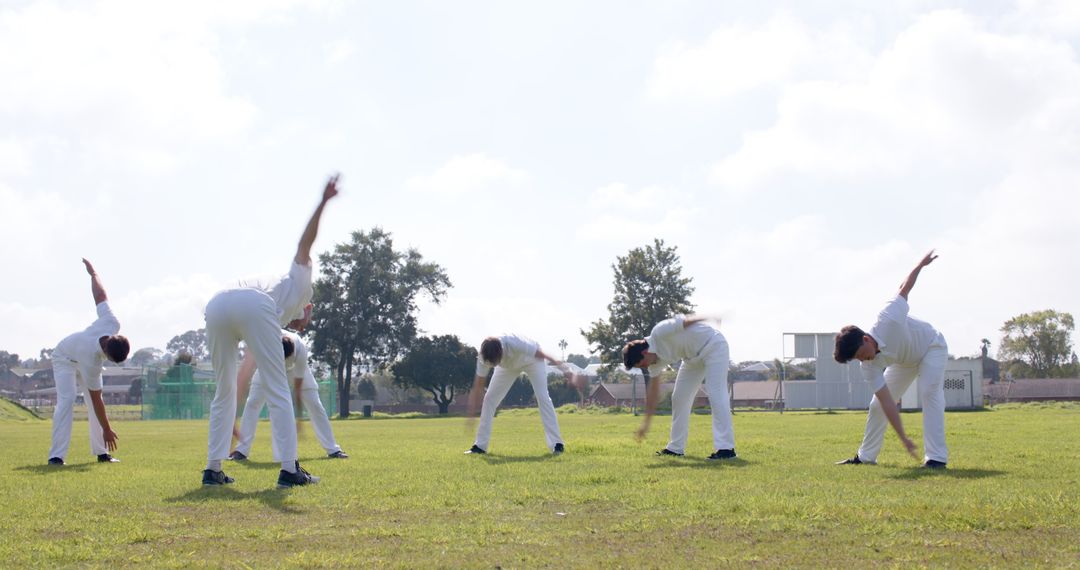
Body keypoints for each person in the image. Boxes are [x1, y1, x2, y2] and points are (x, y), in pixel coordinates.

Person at [201, 174, 338, 488]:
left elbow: (245, 372)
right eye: (305, 321)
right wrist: (323, 202)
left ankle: (212, 469)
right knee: (278, 388)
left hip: (217, 304)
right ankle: (290, 471)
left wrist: (235, 409)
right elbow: (305, 243)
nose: (300, 326)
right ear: (309, 308)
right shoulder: (300, 284)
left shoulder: (274, 308)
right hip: (249, 303)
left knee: (223, 392)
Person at [833, 250, 948, 469]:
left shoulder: (889, 319)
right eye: (856, 360)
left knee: (929, 393)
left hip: (931, 347)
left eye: (860, 355)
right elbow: (887, 402)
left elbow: (904, 288)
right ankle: (866, 457)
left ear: (866, 339)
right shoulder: (867, 366)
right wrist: (904, 438)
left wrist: (920, 265)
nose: (863, 361)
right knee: (876, 405)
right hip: (904, 362)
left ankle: (936, 459)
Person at [47, 259, 130, 466]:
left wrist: (94, 274)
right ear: (107, 355)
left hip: (79, 354)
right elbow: (96, 399)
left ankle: (102, 454)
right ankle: (56, 457)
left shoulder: (112, 323)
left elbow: (101, 297)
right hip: (64, 357)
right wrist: (108, 429)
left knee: (93, 408)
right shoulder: (92, 361)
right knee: (67, 400)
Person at [623, 315, 736, 460]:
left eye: (642, 364)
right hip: (691, 360)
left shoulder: (660, 331)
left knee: (715, 393)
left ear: (645, 353)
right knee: (679, 398)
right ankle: (675, 448)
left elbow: (687, 321)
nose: (645, 367)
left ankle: (726, 449)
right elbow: (653, 393)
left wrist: (711, 317)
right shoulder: (654, 363)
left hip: (714, 346)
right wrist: (646, 424)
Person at [231, 330, 347, 461]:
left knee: (315, 404)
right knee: (253, 402)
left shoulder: (301, 348)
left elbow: (297, 389)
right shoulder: (264, 340)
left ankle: (333, 449)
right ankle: (241, 451)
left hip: (295, 370)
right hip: (269, 368)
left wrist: (299, 419)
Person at [465, 335, 583, 455]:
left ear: (500, 351)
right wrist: (471, 413)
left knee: (542, 397)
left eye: (494, 362)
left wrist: (566, 370)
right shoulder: (484, 357)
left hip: (531, 361)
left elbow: (544, 355)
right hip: (507, 367)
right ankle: (480, 446)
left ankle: (557, 444)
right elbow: (478, 386)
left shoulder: (515, 343)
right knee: (489, 399)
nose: (491, 366)